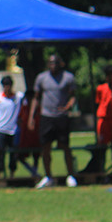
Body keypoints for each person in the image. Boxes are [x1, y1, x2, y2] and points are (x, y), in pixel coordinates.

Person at [28, 54, 78, 188]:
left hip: (61, 117)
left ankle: (70, 175)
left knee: (65, 146)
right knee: (46, 147)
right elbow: (36, 98)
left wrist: (68, 107)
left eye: (55, 62)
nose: (53, 65)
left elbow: (73, 96)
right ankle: (48, 176)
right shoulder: (41, 78)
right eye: (50, 63)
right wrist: (31, 116)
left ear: (60, 63)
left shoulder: (68, 77)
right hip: (46, 116)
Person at [0, 76, 23, 178]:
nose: (7, 87)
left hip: (13, 130)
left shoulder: (18, 97)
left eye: (9, 85)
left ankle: (12, 174)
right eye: (5, 85)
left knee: (13, 153)